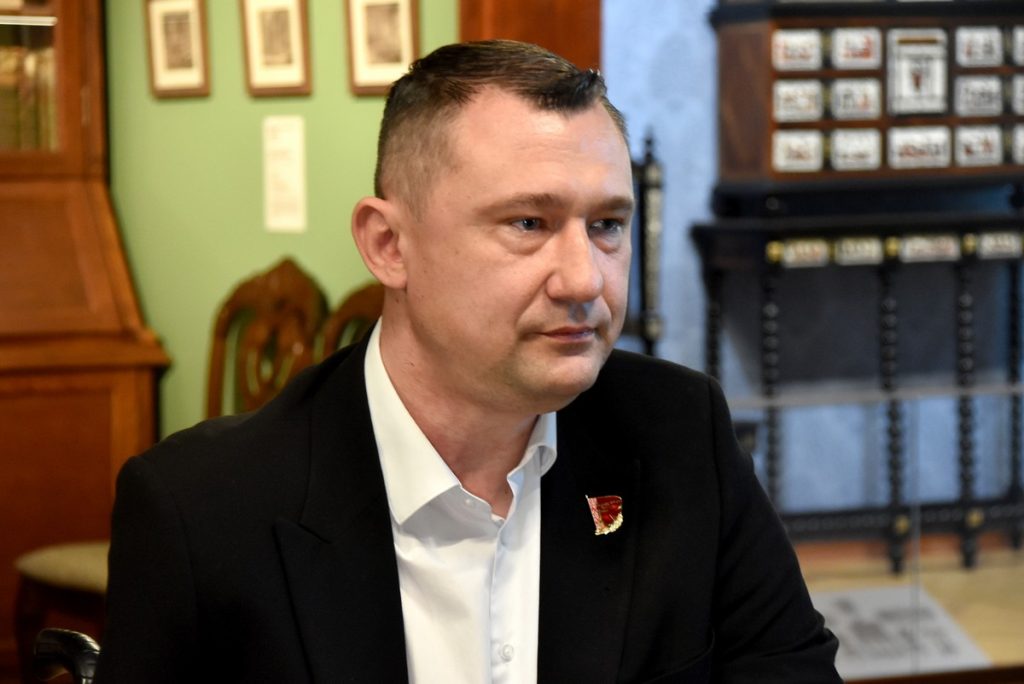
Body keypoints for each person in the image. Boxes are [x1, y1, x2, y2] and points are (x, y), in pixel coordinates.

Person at [97, 40, 840, 683]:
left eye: (607, 225)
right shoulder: (201, 511)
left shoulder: (681, 436)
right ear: (389, 245)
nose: (584, 279)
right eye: (529, 222)